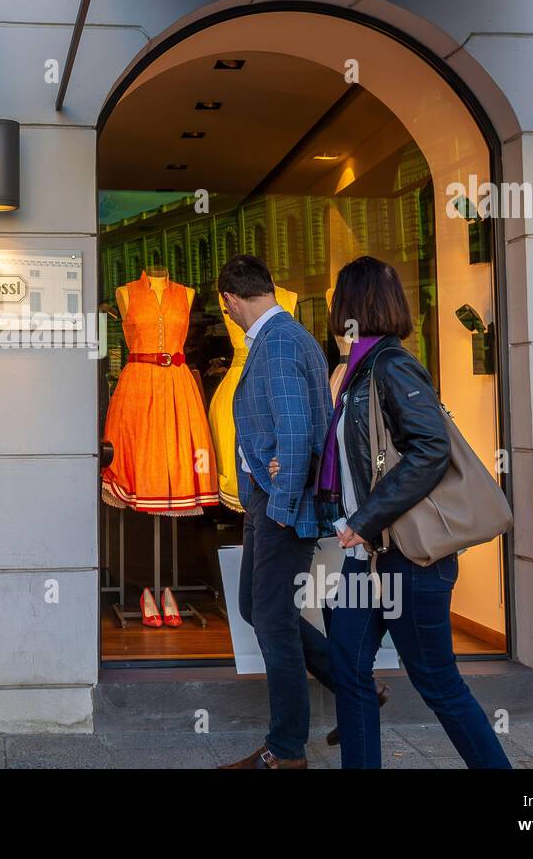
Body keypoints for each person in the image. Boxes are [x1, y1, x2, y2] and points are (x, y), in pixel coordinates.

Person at [320, 256, 511, 769]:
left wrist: (366, 519)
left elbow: (430, 448)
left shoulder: (391, 365)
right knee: (348, 663)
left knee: (437, 682)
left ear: (353, 304)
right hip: (374, 559)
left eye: (339, 295)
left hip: (408, 559)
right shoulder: (362, 369)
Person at [215, 255, 331, 770]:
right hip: (268, 495)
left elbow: (297, 427)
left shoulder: (279, 340)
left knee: (273, 620)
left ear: (231, 301)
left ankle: (286, 751)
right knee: (256, 608)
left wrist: (281, 507)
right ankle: (356, 686)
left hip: (281, 501)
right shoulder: (282, 336)